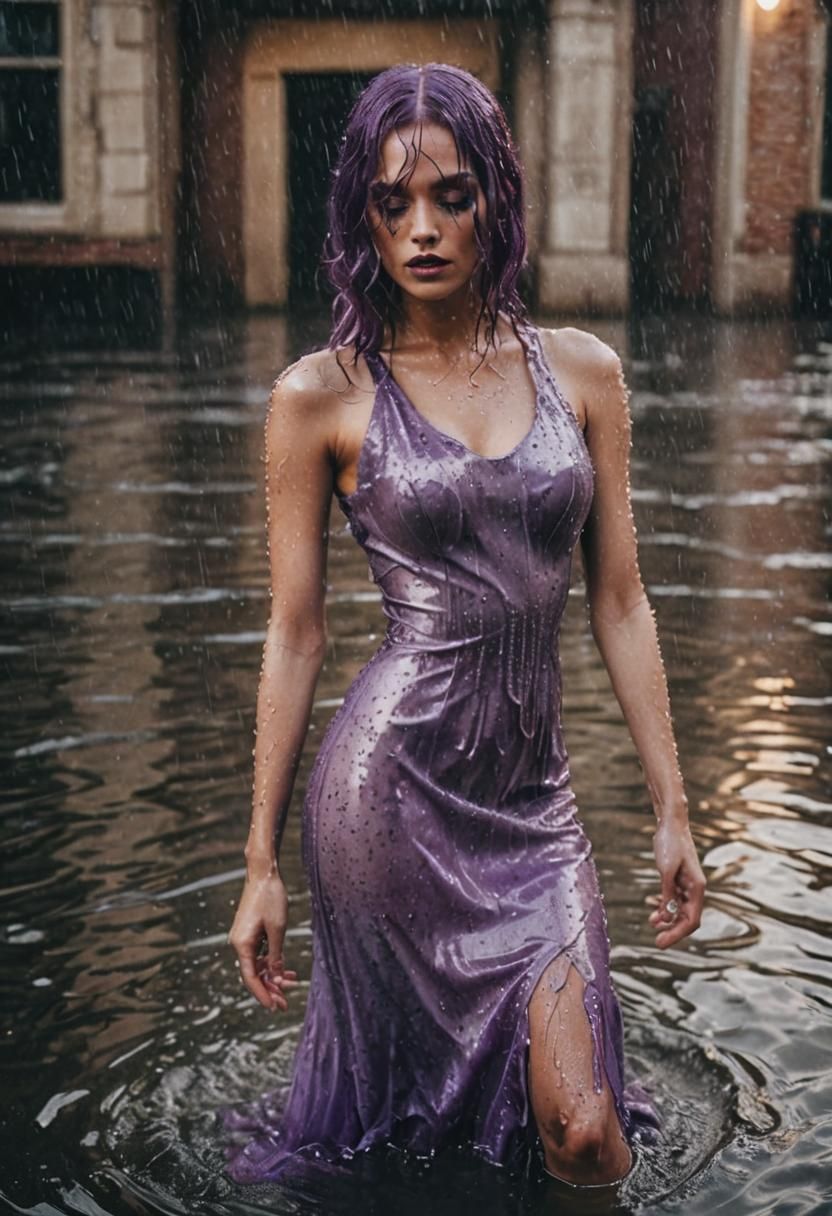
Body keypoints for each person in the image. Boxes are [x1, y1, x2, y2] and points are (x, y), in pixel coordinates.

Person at [222, 62, 706, 1200]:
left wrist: (673, 807)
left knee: (585, 1132)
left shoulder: (583, 372)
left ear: (496, 198)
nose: (424, 229)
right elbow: (295, 634)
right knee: (405, 1143)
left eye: (451, 197)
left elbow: (620, 599)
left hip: (534, 804)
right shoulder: (319, 395)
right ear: (362, 218)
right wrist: (260, 862)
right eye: (392, 204)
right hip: (386, 799)